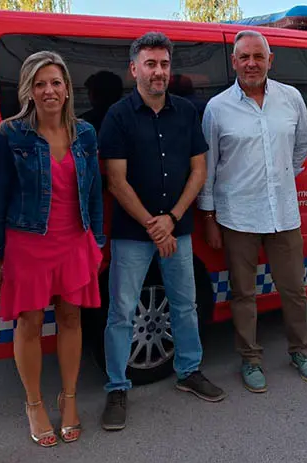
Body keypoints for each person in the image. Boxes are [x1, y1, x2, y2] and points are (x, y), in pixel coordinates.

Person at [98, 31, 226, 431]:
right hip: (133, 234)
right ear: (134, 68)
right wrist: (156, 226)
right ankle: (117, 386)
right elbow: (116, 181)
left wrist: (171, 219)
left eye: (165, 64)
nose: (158, 72)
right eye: (150, 64)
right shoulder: (118, 116)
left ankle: (189, 371)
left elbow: (199, 170)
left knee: (185, 305)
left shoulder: (187, 112)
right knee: (121, 313)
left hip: (178, 228)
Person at [0, 51, 105, 447]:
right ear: (28, 90)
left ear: (68, 88)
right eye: (40, 84)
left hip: (74, 239)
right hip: (27, 242)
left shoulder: (86, 134)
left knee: (72, 318)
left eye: (56, 82)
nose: (49, 90)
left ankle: (69, 397)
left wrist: (98, 240)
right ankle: (35, 403)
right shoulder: (12, 134)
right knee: (30, 323)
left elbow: (95, 192)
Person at [199, 30, 307, 393]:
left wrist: (280, 176)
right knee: (243, 293)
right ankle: (250, 359)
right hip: (238, 216)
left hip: (283, 212)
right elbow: (209, 164)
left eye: (258, 56)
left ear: (271, 60)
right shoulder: (217, 108)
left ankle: (301, 351)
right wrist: (208, 216)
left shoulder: (292, 98)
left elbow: (303, 145)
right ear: (234, 62)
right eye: (244, 57)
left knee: (294, 289)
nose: (251, 63)